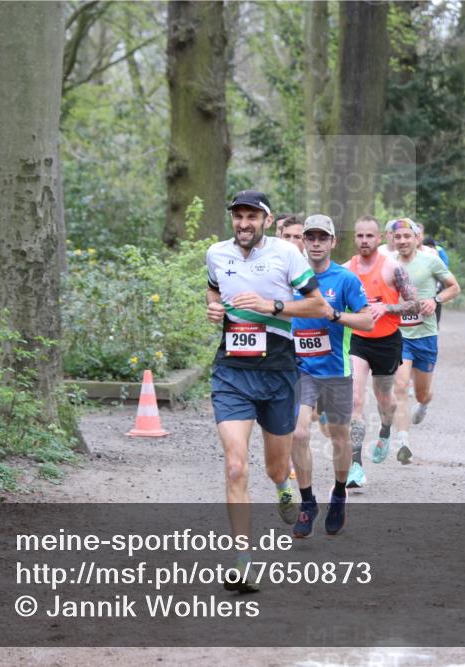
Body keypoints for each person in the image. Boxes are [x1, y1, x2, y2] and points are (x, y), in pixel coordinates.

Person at [206, 190, 328, 592]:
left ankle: (282, 486)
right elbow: (212, 289)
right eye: (238, 216)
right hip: (232, 372)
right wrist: (214, 308)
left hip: (277, 371)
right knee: (235, 465)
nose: (243, 223)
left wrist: (271, 306)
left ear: (266, 219)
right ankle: (243, 561)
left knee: (276, 466)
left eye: (251, 217)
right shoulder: (216, 254)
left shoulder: (286, 255)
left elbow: (317, 306)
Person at [288, 215, 373, 537]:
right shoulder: (292, 277)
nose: (316, 243)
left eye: (323, 237)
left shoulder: (345, 280)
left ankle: (339, 493)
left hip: (336, 371)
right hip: (301, 370)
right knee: (298, 434)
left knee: (339, 437)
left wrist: (334, 315)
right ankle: (307, 502)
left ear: (333, 242)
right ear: (304, 241)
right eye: (310, 237)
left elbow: (367, 323)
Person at [343, 215, 419, 488]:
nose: (364, 240)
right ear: (355, 238)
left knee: (384, 399)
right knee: (355, 400)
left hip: (387, 341)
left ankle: (386, 429)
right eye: (360, 236)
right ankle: (355, 465)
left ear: (379, 239)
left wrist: (387, 307)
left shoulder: (393, 269)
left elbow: (414, 304)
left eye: (369, 236)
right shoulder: (346, 269)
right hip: (359, 341)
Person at [389, 218, 460, 463]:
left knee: (422, 393)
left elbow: (454, 287)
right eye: (398, 237)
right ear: (392, 239)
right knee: (399, 387)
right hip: (400, 336)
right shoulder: (388, 264)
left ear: (416, 238)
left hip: (426, 335)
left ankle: (424, 404)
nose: (402, 241)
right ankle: (403, 443)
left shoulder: (430, 261)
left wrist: (436, 300)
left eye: (407, 236)